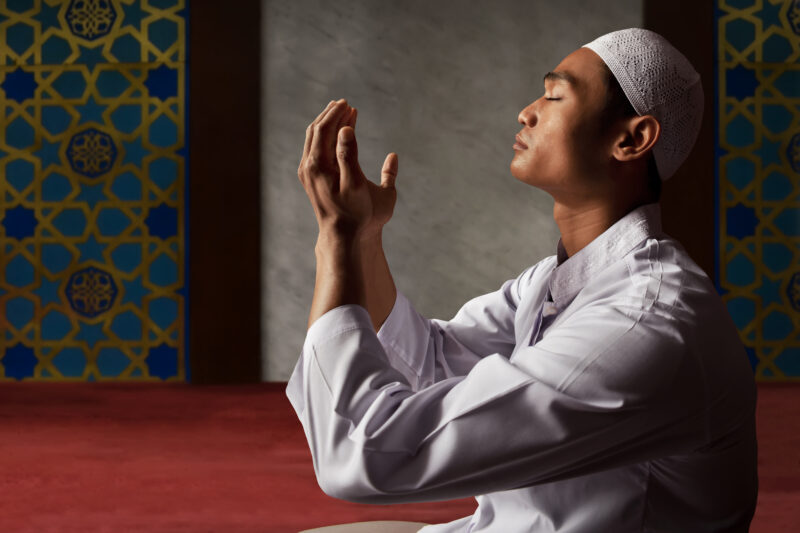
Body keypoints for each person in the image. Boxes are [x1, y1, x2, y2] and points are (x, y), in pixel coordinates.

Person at [288, 28, 758, 532]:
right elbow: (431, 362)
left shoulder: (647, 324)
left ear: (632, 139)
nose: (527, 111)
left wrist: (335, 240)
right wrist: (362, 237)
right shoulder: (556, 281)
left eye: (555, 95)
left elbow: (367, 455)